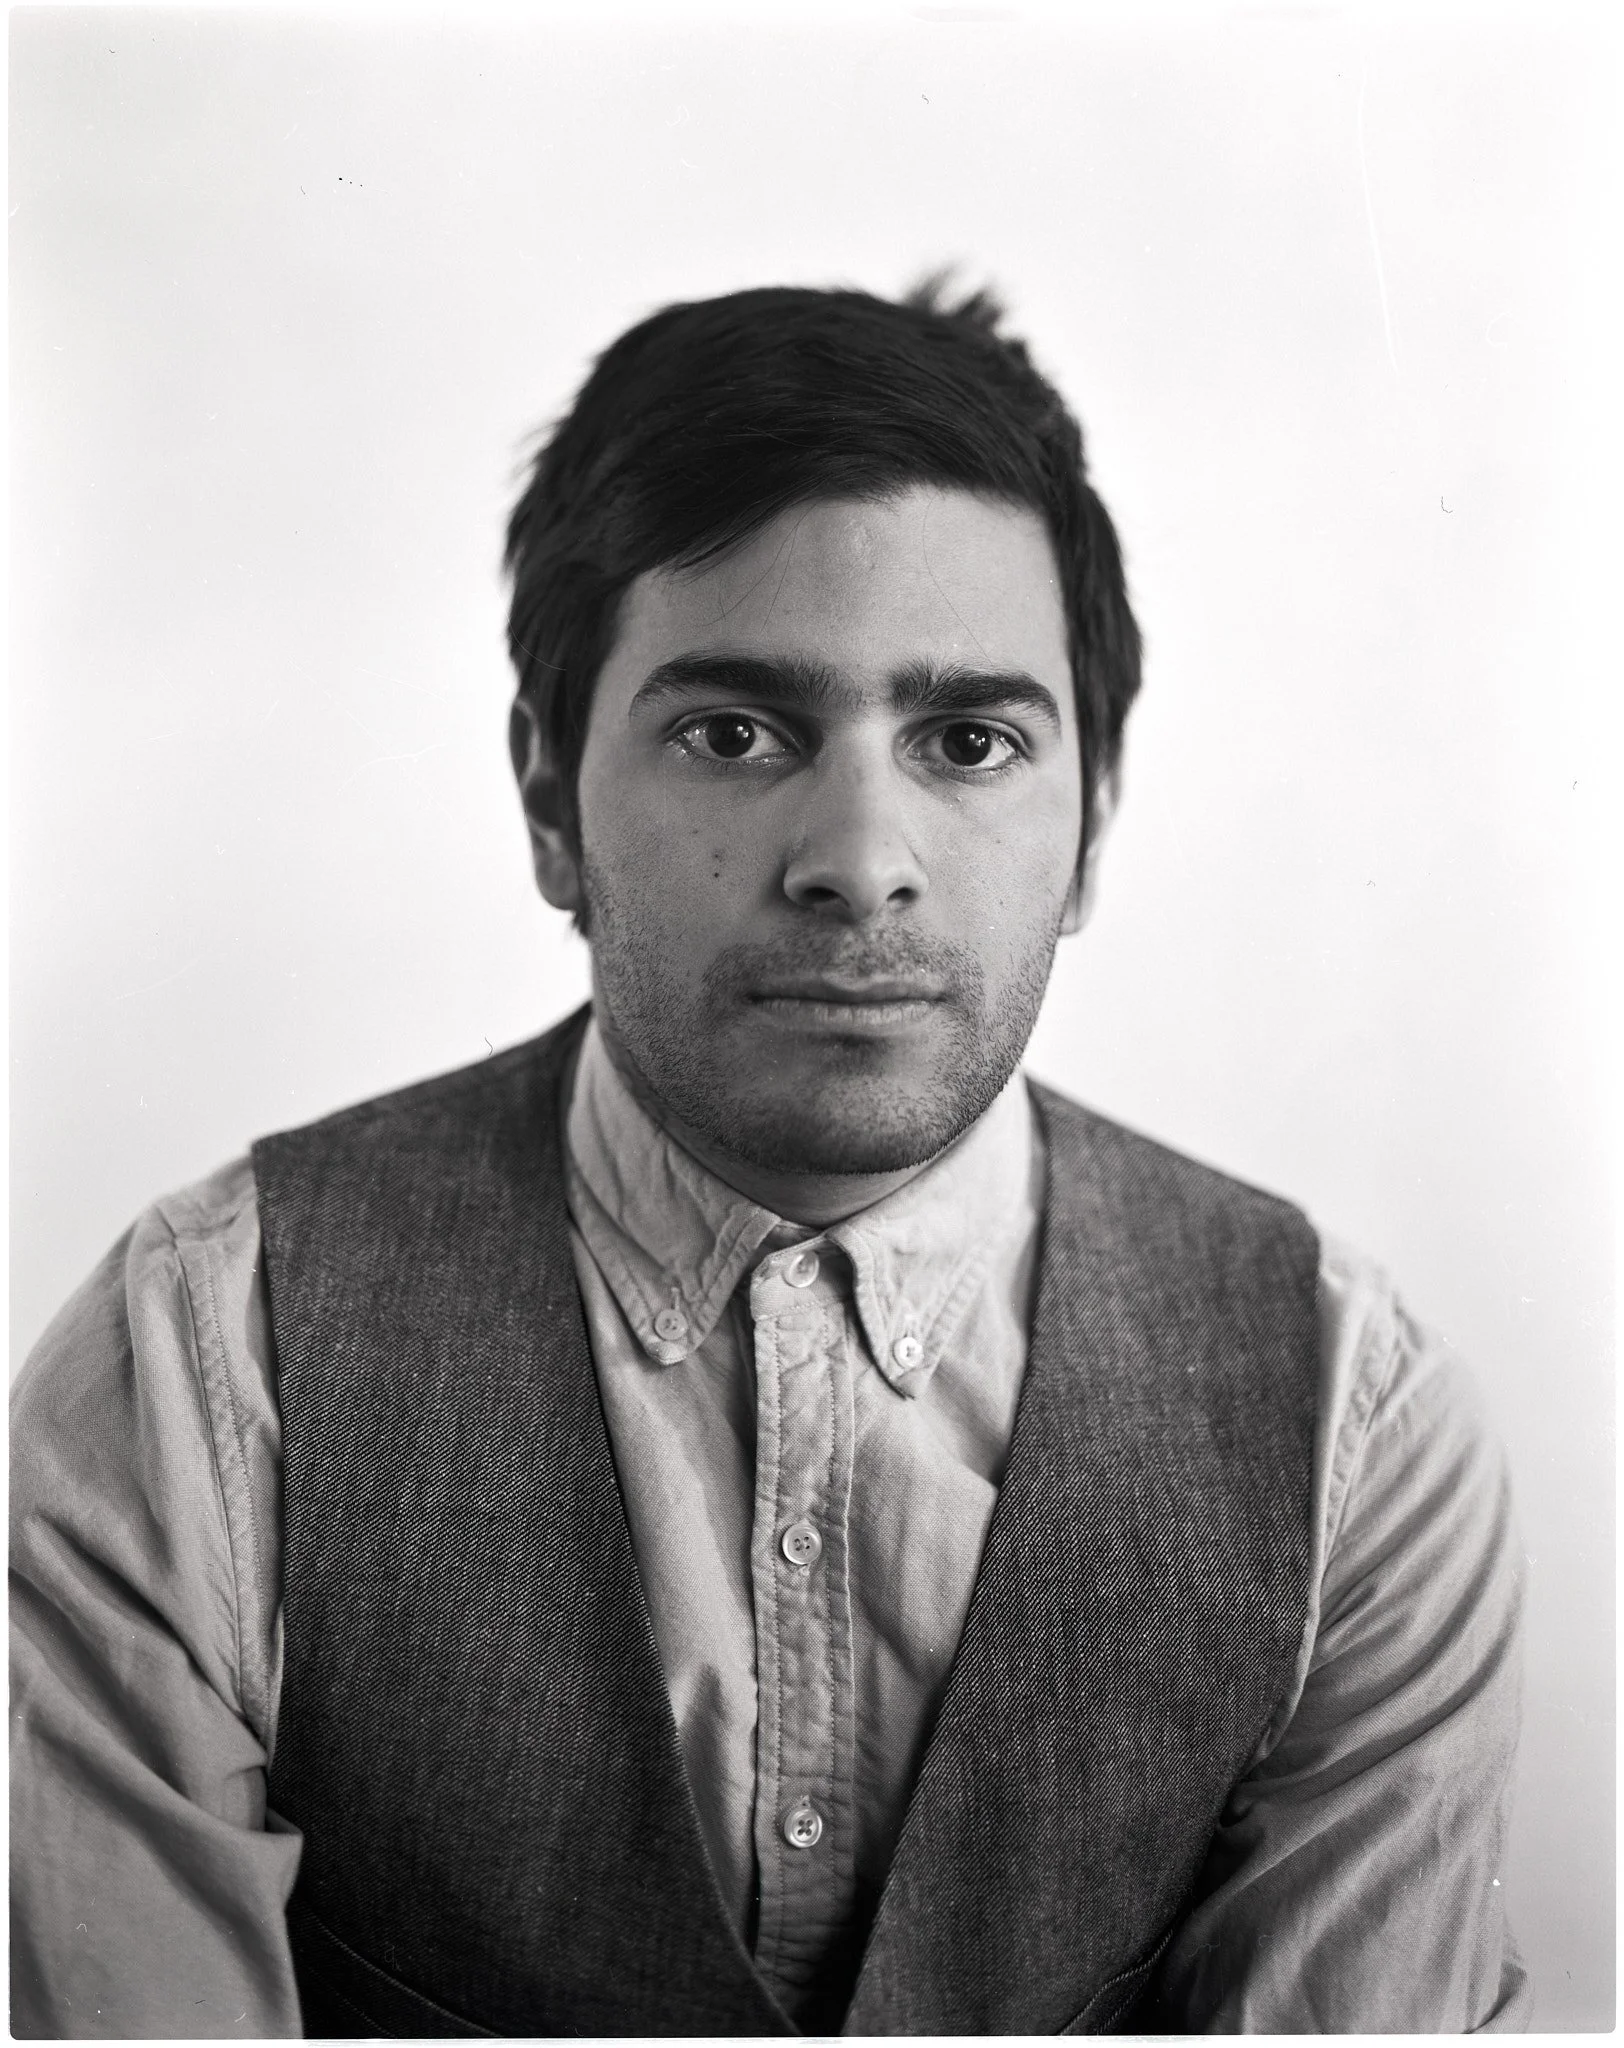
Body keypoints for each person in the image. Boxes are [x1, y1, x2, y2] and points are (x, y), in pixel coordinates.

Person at [11, 281, 1528, 2039]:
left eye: (968, 740)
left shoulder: (1358, 1422)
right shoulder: (197, 1371)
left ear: (1093, 822)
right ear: (546, 805)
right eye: (736, 732)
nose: (858, 859)